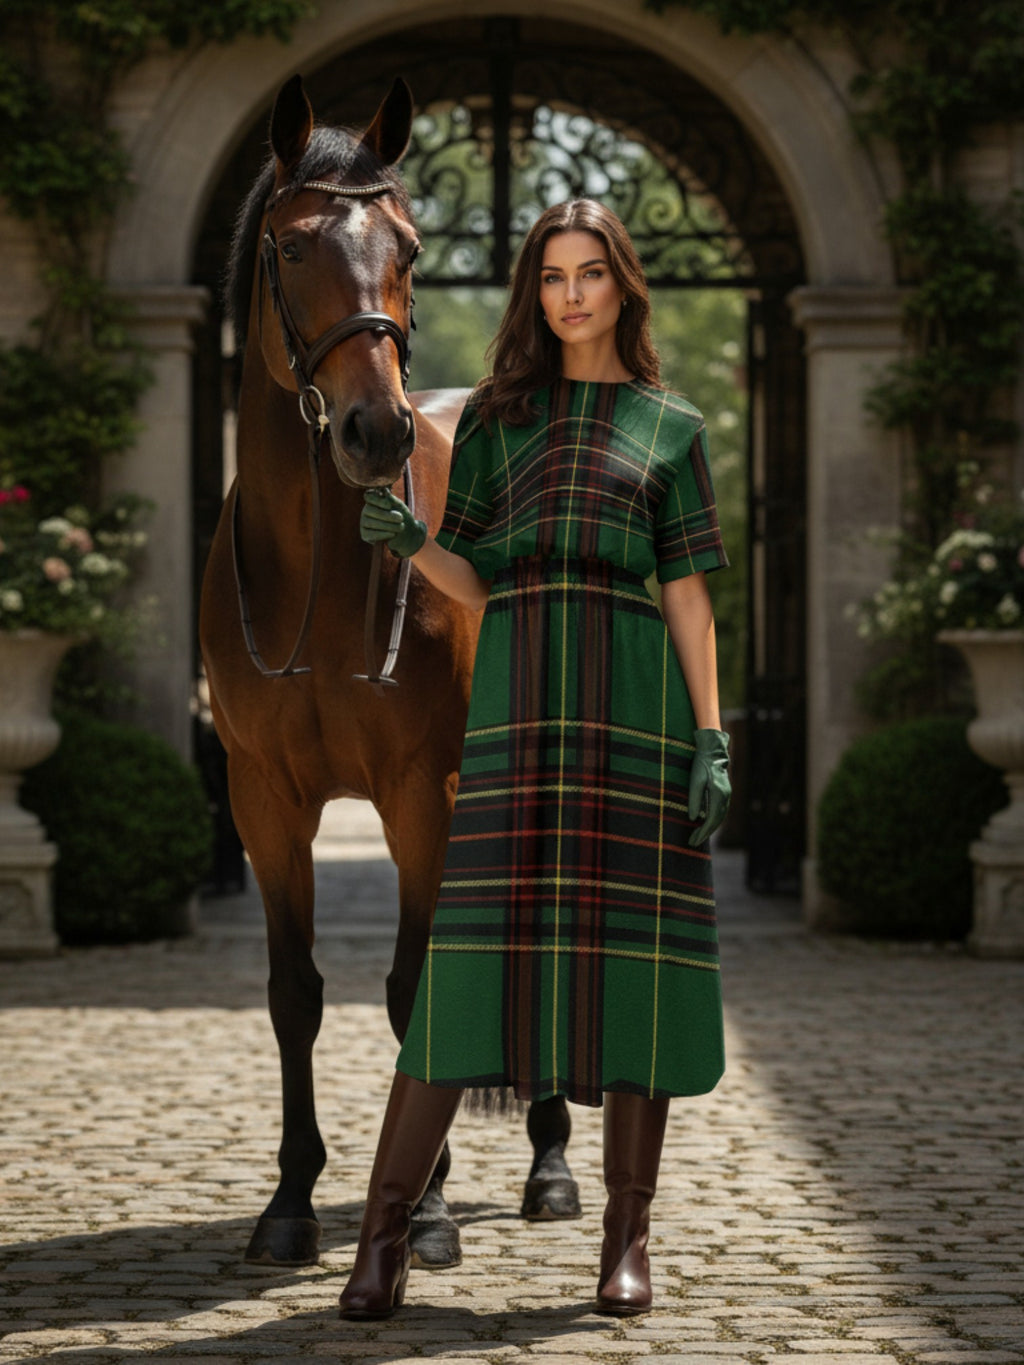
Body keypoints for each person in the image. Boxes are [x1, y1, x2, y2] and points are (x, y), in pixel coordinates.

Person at [339, 198, 731, 1321]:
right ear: (534, 294)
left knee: (636, 979)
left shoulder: (672, 427)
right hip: (517, 721)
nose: (569, 294)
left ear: (622, 287)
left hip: (636, 721)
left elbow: (688, 594)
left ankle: (625, 1239)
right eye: (551, 276)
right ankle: (382, 1239)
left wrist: (711, 735)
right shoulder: (499, 425)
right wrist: (416, 545)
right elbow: (476, 577)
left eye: (589, 273)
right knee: (464, 976)